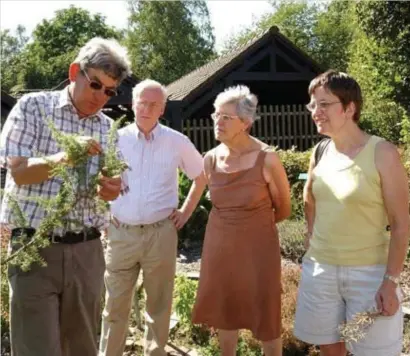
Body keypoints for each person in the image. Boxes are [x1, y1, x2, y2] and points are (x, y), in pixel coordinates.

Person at [0, 37, 132, 356]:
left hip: (87, 251)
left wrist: (112, 187)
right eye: (96, 84)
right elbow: (18, 172)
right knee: (36, 349)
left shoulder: (106, 128)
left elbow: (110, 188)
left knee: (82, 348)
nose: (101, 96)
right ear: (76, 72)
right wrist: (67, 156)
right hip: (35, 248)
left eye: (110, 91)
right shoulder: (32, 108)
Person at [294, 70, 409, 356]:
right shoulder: (320, 152)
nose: (315, 112)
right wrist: (311, 240)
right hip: (321, 272)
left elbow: (401, 223)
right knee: (331, 349)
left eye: (324, 104)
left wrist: (391, 281)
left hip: (369, 275)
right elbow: (310, 199)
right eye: (312, 105)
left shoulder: (382, 152)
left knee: (373, 352)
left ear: (349, 108)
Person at [99, 79, 205, 356]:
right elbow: (98, 183)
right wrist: (103, 219)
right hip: (121, 233)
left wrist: (185, 211)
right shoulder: (115, 139)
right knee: (114, 306)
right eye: (142, 102)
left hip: (161, 233)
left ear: (162, 108)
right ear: (133, 104)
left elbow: (201, 176)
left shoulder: (176, 141)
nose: (146, 108)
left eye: (153, 104)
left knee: (158, 305)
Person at [191, 85, 292, 356]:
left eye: (226, 117)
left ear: (245, 123)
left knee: (266, 313)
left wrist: (254, 227)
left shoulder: (267, 159)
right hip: (220, 248)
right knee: (226, 310)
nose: (217, 122)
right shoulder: (210, 159)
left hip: (258, 250)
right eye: (215, 115)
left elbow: (283, 208)